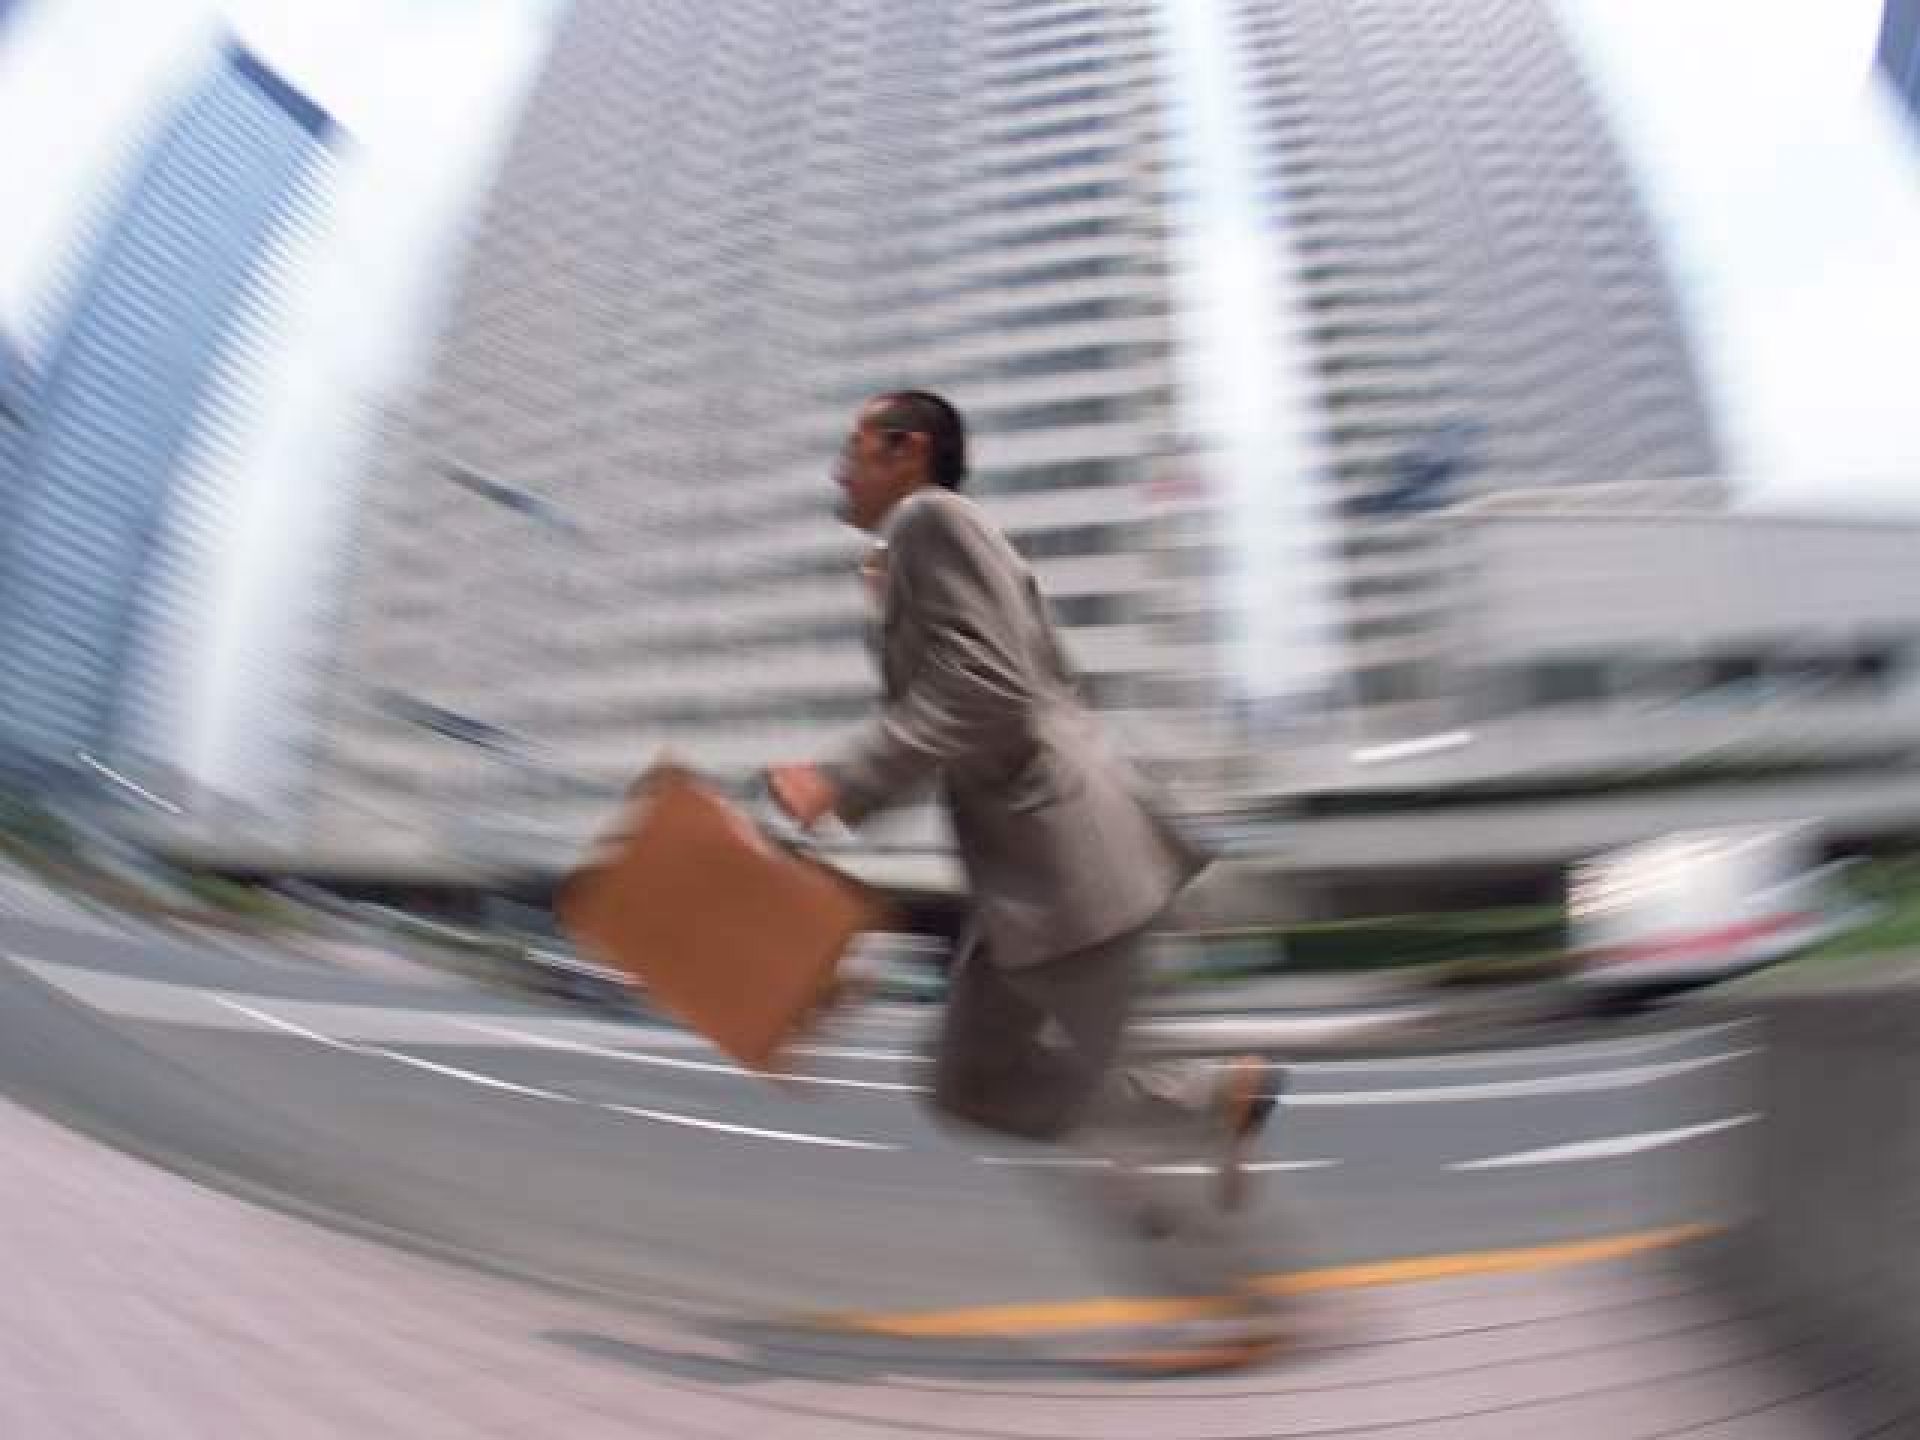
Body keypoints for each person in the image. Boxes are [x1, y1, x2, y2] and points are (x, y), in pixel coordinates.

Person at [769, 390, 1288, 1373]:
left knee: (1091, 1099)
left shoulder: (931, 519)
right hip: (1024, 872)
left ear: (907, 451)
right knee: (971, 1080)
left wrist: (843, 776)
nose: (839, 469)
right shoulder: (913, 551)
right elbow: (993, 694)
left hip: (1068, 860)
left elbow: (992, 691)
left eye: (853, 449)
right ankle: (1211, 1099)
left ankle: (1234, 1305)